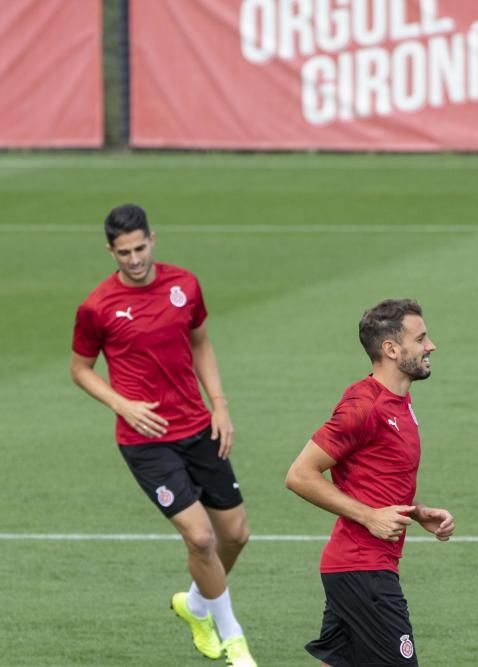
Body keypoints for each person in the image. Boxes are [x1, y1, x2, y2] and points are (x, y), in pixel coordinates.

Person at [70, 204, 256, 666]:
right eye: (123, 252)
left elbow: (200, 342)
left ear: (153, 238)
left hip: (198, 426)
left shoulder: (185, 285)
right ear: (110, 251)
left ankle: (195, 605)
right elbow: (80, 369)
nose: (133, 259)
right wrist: (122, 404)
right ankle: (234, 640)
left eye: (139, 248)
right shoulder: (97, 306)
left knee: (235, 534)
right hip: (145, 439)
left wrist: (220, 405)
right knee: (200, 538)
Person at [285, 298, 454, 666]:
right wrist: (368, 516)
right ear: (391, 349)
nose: (431, 346)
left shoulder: (399, 402)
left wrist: (416, 511)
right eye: (421, 338)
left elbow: (377, 476)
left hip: (354, 569)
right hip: (364, 571)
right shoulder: (364, 406)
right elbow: (299, 475)